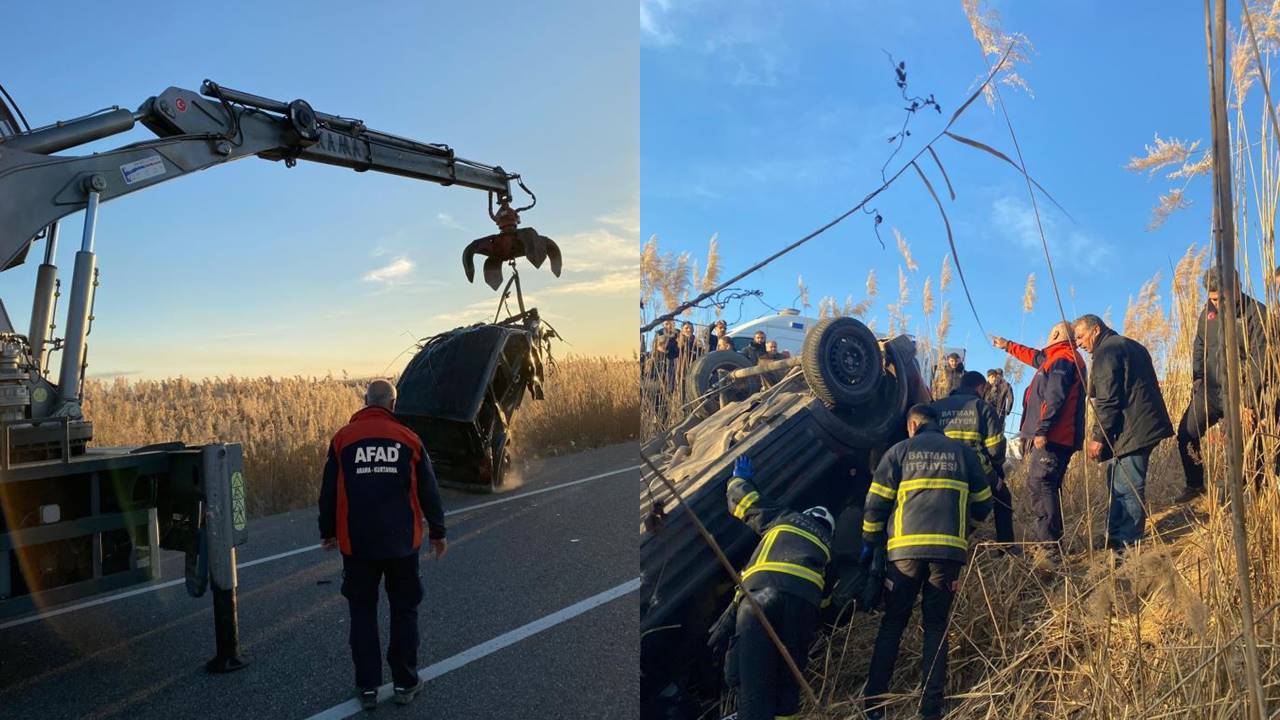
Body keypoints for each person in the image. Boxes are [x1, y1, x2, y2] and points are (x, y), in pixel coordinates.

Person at [318, 380, 448, 710]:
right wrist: (438, 532)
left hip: (357, 545)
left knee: (362, 613)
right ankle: (405, 683)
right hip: (402, 545)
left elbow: (329, 491)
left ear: (365, 402)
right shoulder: (409, 439)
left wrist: (328, 530)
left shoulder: (343, 439)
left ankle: (367, 689)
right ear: (392, 404)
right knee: (404, 611)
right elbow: (429, 490)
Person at [861, 404, 992, 720]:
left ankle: (875, 704)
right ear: (936, 424)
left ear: (912, 425)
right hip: (947, 556)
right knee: (935, 626)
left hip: (903, 555)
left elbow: (875, 504)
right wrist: (964, 527)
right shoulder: (963, 454)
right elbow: (984, 504)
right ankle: (930, 708)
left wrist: (871, 542)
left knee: (893, 622)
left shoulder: (899, 452)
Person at [717, 455, 834, 720]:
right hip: (801, 605)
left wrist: (739, 479)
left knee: (754, 678)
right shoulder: (828, 548)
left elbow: (744, 502)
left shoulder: (786, 518)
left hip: (760, 597)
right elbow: (826, 603)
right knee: (787, 679)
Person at [1073, 314, 1173, 553]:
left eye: (1080, 336)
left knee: (1128, 486)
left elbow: (1108, 400)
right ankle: (1115, 539)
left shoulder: (1106, 353)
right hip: (1138, 426)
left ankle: (1127, 545)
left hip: (1133, 430)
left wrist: (1098, 437)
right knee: (1117, 481)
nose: (1078, 342)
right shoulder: (1131, 345)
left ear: (1095, 330)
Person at [992, 322, 1086, 557]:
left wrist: (1042, 430)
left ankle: (1049, 550)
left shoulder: (1063, 359)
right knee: (1048, 488)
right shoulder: (1056, 358)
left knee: (1041, 485)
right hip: (1057, 437)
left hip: (1053, 438)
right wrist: (1008, 346)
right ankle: (1054, 545)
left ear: (1055, 333)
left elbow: (1055, 397)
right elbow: (1034, 357)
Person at [1175, 270, 1268, 501]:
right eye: (1212, 298)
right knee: (1186, 433)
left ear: (1236, 288)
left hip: (1240, 392)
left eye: (1220, 298)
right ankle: (1195, 484)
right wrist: (1197, 377)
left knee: (1235, 441)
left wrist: (1248, 402)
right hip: (1209, 390)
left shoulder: (1256, 313)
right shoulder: (1207, 313)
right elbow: (1199, 346)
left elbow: (1260, 360)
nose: (1214, 303)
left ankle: (1241, 491)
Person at [933, 371, 1013, 545]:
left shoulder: (936, 406)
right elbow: (996, 450)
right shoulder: (983, 408)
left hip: (936, 468)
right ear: (981, 387)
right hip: (974, 469)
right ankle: (1006, 547)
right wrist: (997, 472)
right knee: (1003, 497)